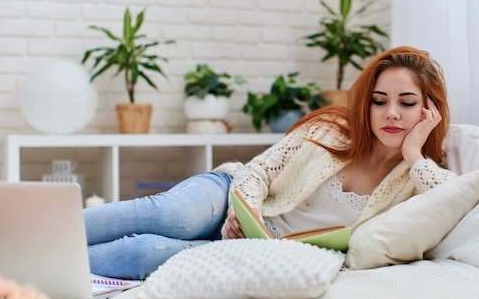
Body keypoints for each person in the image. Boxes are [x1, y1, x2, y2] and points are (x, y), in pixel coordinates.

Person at [83, 45, 457, 279]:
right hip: (233, 197)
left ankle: (40, 262)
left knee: (148, 254)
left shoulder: (415, 180)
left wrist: (413, 154)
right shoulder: (331, 130)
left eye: (407, 103)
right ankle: (32, 231)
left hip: (258, 249)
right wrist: (246, 212)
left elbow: (449, 204)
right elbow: (258, 170)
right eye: (379, 101)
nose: (391, 113)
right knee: (173, 216)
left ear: (429, 110)